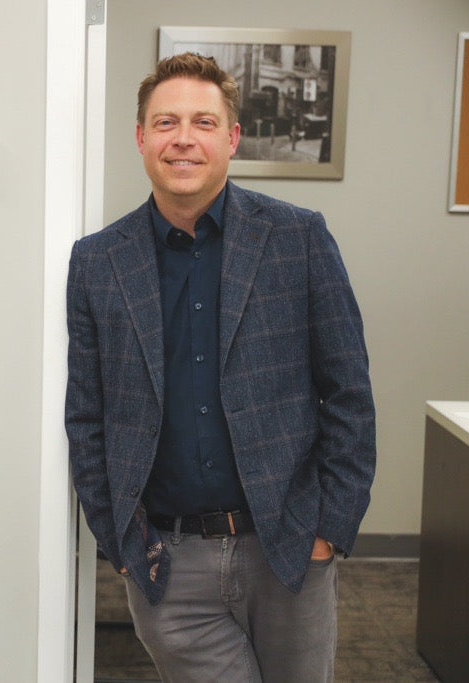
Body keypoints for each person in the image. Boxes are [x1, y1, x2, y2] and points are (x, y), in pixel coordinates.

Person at [65, 53, 375, 682]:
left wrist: (329, 532)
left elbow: (348, 394)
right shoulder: (98, 261)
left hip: (289, 549)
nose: (183, 138)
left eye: (203, 122)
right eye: (165, 122)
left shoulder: (298, 239)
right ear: (141, 137)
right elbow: (87, 413)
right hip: (167, 562)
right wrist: (117, 536)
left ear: (231, 138)